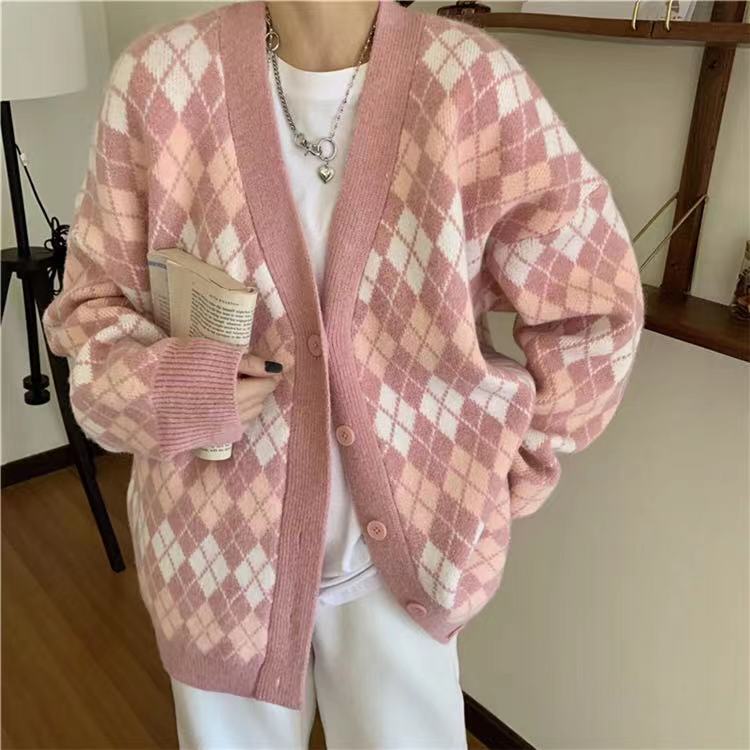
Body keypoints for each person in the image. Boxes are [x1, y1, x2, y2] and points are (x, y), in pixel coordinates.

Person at [41, 1, 645, 748]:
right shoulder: (159, 82)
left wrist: (513, 464)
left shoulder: (470, 83)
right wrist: (179, 388)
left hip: (409, 559)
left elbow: (594, 303)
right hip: (214, 559)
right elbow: (89, 316)